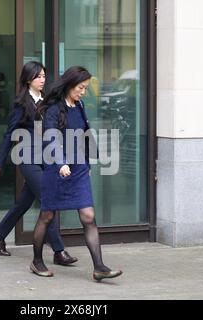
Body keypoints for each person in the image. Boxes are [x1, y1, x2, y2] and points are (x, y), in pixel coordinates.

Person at [32, 66, 123, 281]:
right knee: (47, 215)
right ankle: (36, 261)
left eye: (85, 88)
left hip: (79, 169)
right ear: (70, 85)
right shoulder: (53, 108)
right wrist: (62, 163)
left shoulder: (79, 104)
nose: (84, 92)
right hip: (56, 169)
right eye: (81, 88)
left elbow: (83, 134)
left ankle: (99, 267)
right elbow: (51, 138)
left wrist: (87, 165)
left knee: (89, 217)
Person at [0, 61, 77, 266]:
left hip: (47, 159)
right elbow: (10, 134)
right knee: (49, 200)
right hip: (28, 159)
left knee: (24, 203)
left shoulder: (48, 101)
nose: (42, 79)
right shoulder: (21, 103)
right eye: (39, 76)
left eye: (44, 76)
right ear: (29, 79)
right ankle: (58, 251)